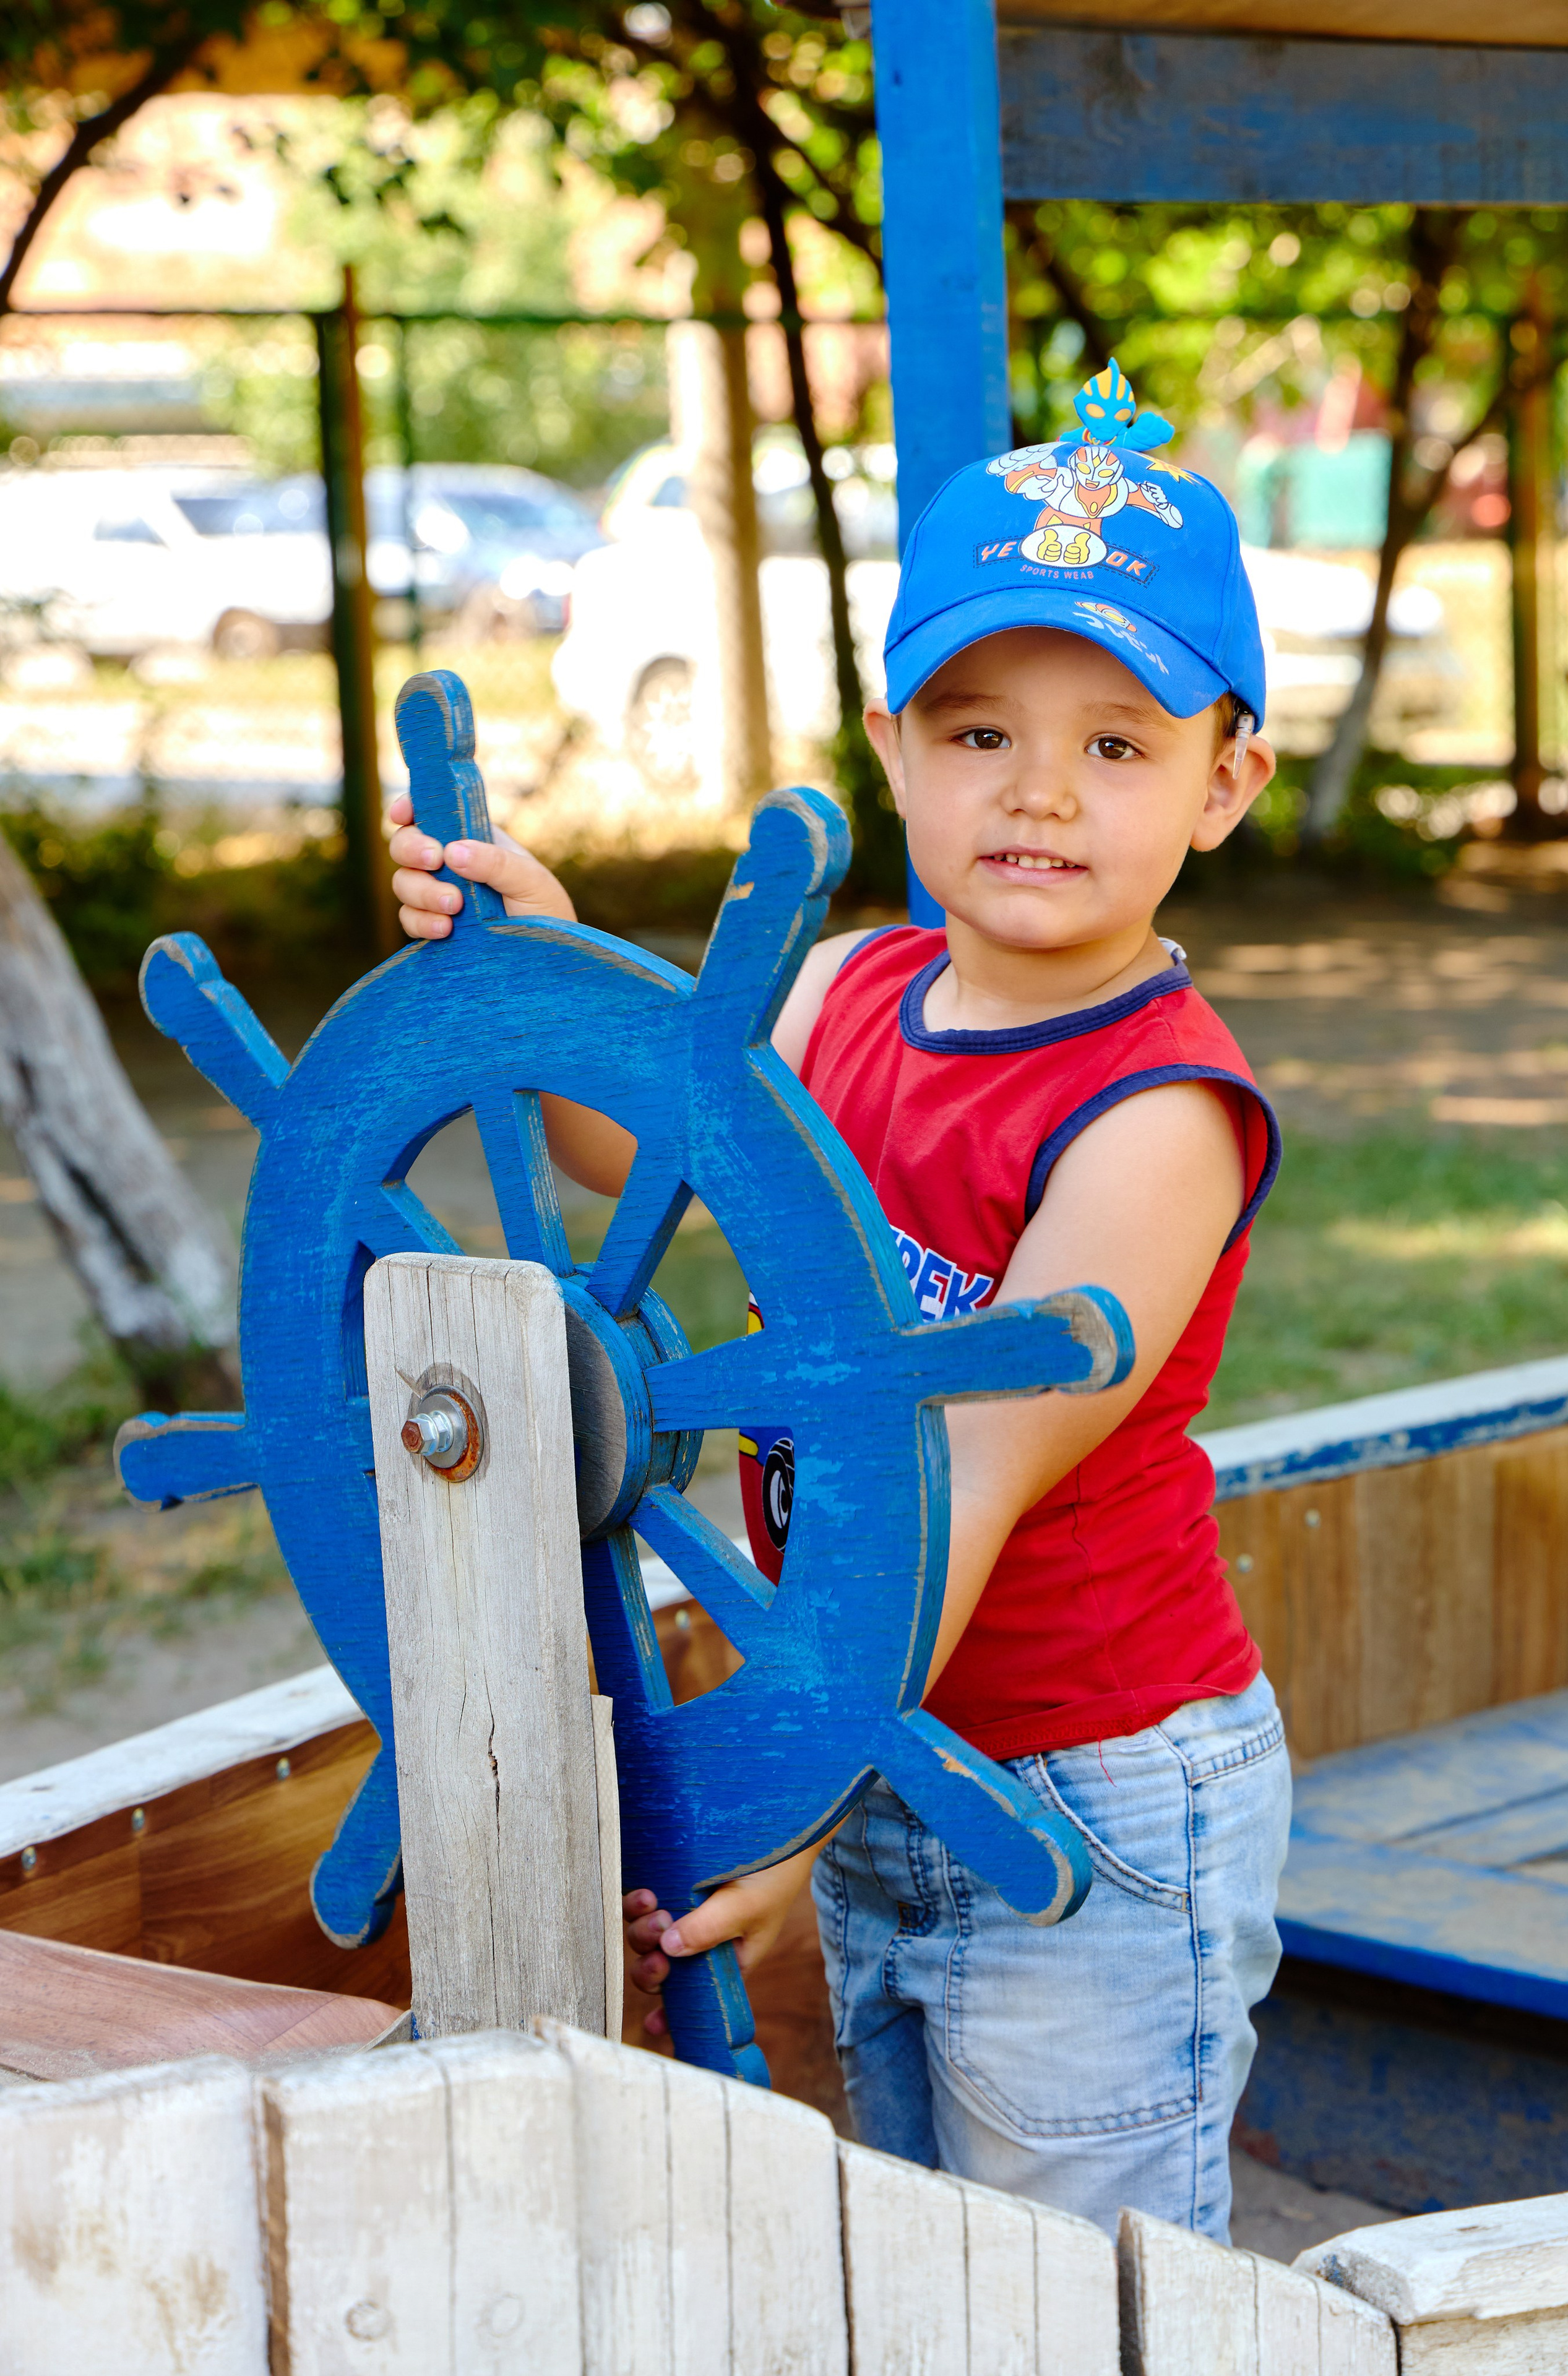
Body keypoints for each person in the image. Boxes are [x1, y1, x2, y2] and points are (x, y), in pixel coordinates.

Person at [386, 363, 1291, 2244]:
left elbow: (961, 1462)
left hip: (1085, 1791)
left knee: (1088, 2285)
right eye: (978, 733)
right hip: (872, 1725)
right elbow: (636, 1157)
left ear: (1227, 780)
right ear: (892, 749)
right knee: (935, 2252)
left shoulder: (1164, 1117)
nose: (1038, 790)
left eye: (1117, 746)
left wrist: (795, 1790)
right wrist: (539, 952)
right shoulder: (853, 997)